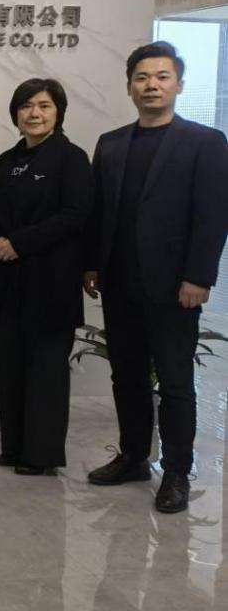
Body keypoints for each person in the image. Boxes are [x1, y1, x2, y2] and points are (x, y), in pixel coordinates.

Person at [85, 41, 228, 513]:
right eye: (142, 78)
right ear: (130, 86)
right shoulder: (111, 143)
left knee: (175, 382)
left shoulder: (205, 142)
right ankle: (132, 457)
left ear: (178, 85)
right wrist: (92, 264)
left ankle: (178, 473)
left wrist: (198, 277)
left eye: (162, 77)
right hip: (119, 283)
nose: (152, 85)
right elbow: (100, 212)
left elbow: (213, 215)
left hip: (174, 287)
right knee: (126, 376)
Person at [0, 78, 91, 476]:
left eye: (44, 106)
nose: (34, 114)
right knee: (11, 366)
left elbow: (76, 215)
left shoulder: (71, 158)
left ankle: (41, 455)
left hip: (52, 282)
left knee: (46, 369)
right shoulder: (6, 160)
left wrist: (19, 243)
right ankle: (14, 446)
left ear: (58, 112)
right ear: (16, 113)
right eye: (26, 106)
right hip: (10, 283)